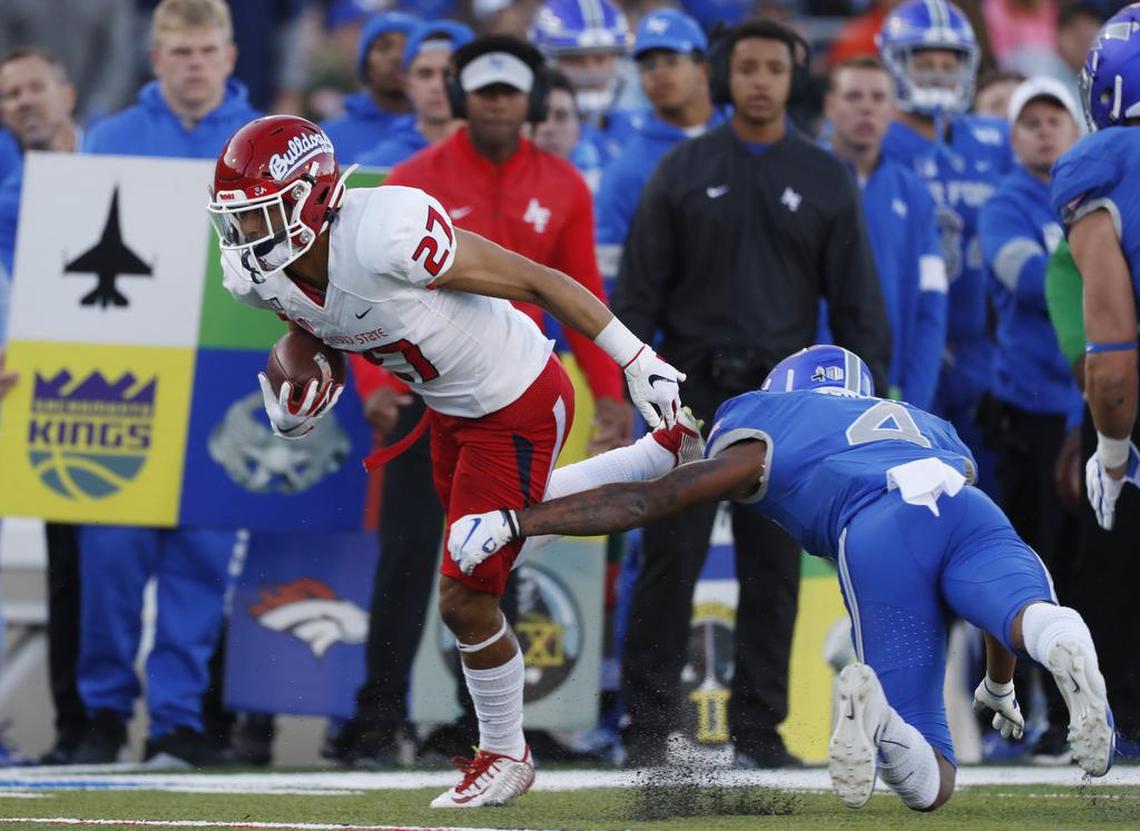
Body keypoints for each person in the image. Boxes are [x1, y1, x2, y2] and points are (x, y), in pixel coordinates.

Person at [207, 112, 688, 806]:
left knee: (467, 590)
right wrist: (302, 379)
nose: (247, 237)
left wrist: (635, 359)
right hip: (450, 409)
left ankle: (505, 751)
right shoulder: (258, 274)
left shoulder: (387, 232)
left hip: (517, 393)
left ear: (311, 197)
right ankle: (658, 460)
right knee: (502, 537)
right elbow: (319, 322)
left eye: (262, 215)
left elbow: (540, 280)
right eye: (238, 220)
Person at [449, 343, 1117, 811]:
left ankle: (882, 719)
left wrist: (522, 519)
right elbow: (975, 601)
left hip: (880, 525)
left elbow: (649, 499)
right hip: (968, 504)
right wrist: (999, 680)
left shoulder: (767, 419)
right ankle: (1064, 642)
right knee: (1026, 608)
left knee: (931, 778)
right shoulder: (928, 425)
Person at [611, 18, 892, 769]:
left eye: (775, 67)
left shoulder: (827, 176)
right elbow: (636, 297)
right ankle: (646, 728)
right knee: (669, 558)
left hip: (786, 402)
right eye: (749, 67)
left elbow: (860, 306)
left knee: (773, 567)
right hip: (690, 396)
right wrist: (640, 391)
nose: (762, 80)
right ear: (723, 76)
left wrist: (871, 413)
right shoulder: (681, 168)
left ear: (792, 76)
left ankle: (760, 732)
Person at [73, 0, 257, 767]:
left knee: (202, 560)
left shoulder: (266, 147)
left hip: (223, 376)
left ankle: (178, 722)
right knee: (110, 558)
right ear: (156, 58)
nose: (194, 63)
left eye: (206, 49)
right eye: (179, 51)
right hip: (126, 375)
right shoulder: (108, 140)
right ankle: (103, 715)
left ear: (231, 54)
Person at [388, 35, 632, 454]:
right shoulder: (410, 181)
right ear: (461, 99)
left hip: (520, 385)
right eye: (485, 92)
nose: (497, 103)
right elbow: (374, 290)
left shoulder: (565, 185)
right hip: (425, 386)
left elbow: (583, 292)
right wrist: (380, 386)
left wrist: (609, 392)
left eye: (509, 92)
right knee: (413, 520)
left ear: (532, 101)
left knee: (508, 518)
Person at [979, 76, 1085, 762]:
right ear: (1012, 137)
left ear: (1077, 130)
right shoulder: (1007, 202)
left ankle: (1092, 708)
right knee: (1027, 570)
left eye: (1056, 119)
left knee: (1086, 569)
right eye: (1031, 122)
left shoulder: (1094, 200)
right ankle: (1035, 713)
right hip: (1025, 413)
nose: (1044, 131)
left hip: (1090, 403)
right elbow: (1024, 277)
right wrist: (1105, 264)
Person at [877, 0, 1014, 494]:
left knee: (990, 486)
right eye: (924, 62)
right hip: (907, 341)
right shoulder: (878, 139)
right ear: (896, 64)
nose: (938, 73)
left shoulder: (994, 140)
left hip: (982, 340)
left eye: (948, 62)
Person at [0, 46, 89, 767]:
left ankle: (85, 725)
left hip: (101, 395)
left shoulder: (120, 163)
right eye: (9, 95)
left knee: (78, 563)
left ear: (66, 90)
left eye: (34, 88)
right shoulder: (6, 184)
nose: (24, 102)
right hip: (16, 389)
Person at [824, 56, 947, 410]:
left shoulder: (915, 195)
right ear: (830, 105)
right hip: (815, 390)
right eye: (853, 97)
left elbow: (932, 304)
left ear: (892, 109)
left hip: (892, 392)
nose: (866, 108)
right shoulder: (803, 181)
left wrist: (916, 401)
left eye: (878, 98)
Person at [594, 7, 721, 290]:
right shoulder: (626, 170)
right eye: (648, 65)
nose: (659, 73)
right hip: (669, 329)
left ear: (703, 67)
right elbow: (611, 278)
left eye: (671, 60)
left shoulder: (742, 138)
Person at [529, 0, 638, 164]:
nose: (591, 70)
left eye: (600, 59)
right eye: (575, 60)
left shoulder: (638, 129)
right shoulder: (530, 133)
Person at [356, 20, 473, 169]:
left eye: (450, 74)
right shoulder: (374, 167)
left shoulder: (498, 156)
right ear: (406, 83)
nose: (437, 86)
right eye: (425, 74)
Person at [320, 11, 419, 164]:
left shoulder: (444, 134)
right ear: (365, 63)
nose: (397, 57)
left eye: (408, 48)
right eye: (383, 48)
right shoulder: (324, 139)